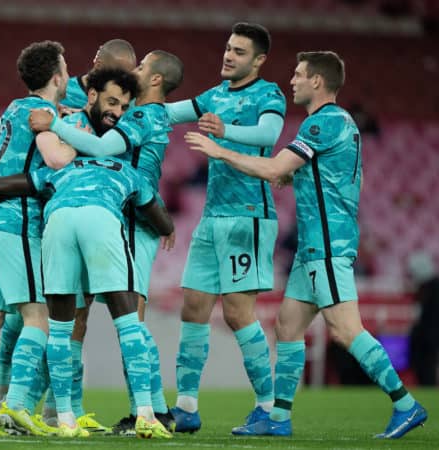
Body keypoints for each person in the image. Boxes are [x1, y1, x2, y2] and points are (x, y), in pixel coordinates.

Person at [185, 50, 428, 439]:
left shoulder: (322, 123)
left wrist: (221, 152)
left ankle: (405, 404)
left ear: (318, 81)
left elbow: (274, 167)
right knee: (287, 326)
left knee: (346, 330)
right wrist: (299, 180)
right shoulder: (343, 123)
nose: (292, 80)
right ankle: (278, 418)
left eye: (299, 75)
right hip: (315, 245)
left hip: (327, 244)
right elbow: (349, 180)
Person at [29, 49, 184, 435]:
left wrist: (55, 124)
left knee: (89, 321)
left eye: (140, 69)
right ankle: (138, 413)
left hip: (118, 217)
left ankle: (129, 411)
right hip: (116, 211)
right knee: (119, 320)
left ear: (154, 81)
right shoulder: (117, 119)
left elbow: (94, 147)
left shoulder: (141, 117)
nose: (118, 108)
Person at [0, 155, 176, 438]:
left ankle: (65, 419)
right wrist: (168, 230)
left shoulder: (60, 169)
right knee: (129, 323)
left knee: (59, 330)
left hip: (58, 221)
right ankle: (145, 414)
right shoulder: (127, 170)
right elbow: (157, 216)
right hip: (102, 218)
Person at [0, 67, 139, 434]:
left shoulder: (118, 122)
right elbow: (54, 162)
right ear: (92, 92)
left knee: (68, 319)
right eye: (112, 99)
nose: (117, 109)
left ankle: (52, 410)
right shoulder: (54, 110)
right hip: (48, 220)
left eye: (124, 103)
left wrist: (59, 126)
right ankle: (8, 402)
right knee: (36, 316)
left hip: (80, 218)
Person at [164, 22, 286, 433]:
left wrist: (224, 134)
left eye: (239, 51)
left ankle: (269, 410)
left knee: (237, 314)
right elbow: (169, 113)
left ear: (259, 60)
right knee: (194, 307)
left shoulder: (269, 94)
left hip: (248, 215)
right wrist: (116, 110)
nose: (228, 56)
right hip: (212, 217)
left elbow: (270, 134)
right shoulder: (214, 95)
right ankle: (185, 407)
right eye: (228, 48)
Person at [0, 40, 69, 437]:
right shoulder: (44, 115)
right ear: (57, 77)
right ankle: (18, 406)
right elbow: (56, 161)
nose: (70, 74)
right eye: (66, 68)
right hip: (16, 223)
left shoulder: (10, 110)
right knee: (36, 318)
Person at [62, 38, 137, 110]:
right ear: (98, 66)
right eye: (117, 75)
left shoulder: (127, 103)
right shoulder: (64, 91)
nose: (123, 83)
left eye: (128, 77)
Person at [407, 251, 439, 386]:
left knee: (427, 369)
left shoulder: (431, 290)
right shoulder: (429, 288)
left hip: (428, 338)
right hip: (428, 337)